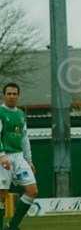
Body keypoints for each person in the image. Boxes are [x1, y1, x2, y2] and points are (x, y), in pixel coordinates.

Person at [0, 83, 38, 230]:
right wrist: (2, 155)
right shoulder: (1, 112)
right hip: (4, 157)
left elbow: (24, 138)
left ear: (18, 96)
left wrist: (29, 160)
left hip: (18, 157)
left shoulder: (21, 114)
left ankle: (12, 226)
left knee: (32, 190)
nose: (12, 96)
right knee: (2, 194)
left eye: (14, 94)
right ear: (4, 95)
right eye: (9, 93)